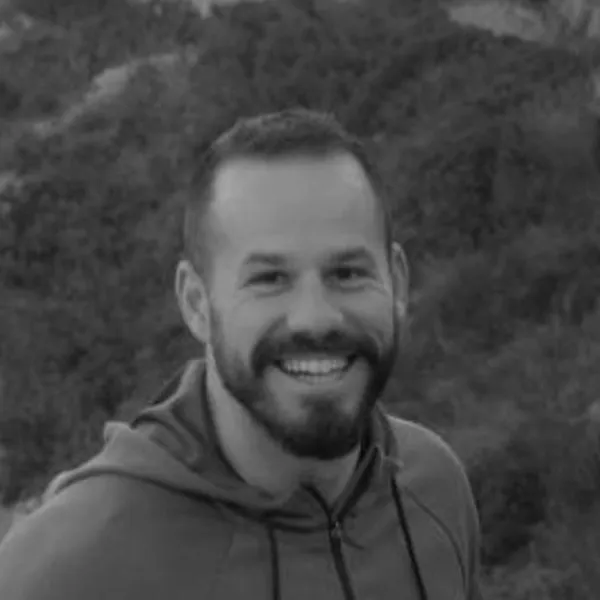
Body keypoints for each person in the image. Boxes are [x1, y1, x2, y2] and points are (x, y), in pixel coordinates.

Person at [0, 108, 482, 600]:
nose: (315, 318)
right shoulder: (73, 569)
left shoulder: (433, 490)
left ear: (396, 283)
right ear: (196, 303)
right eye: (270, 279)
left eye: (347, 273)